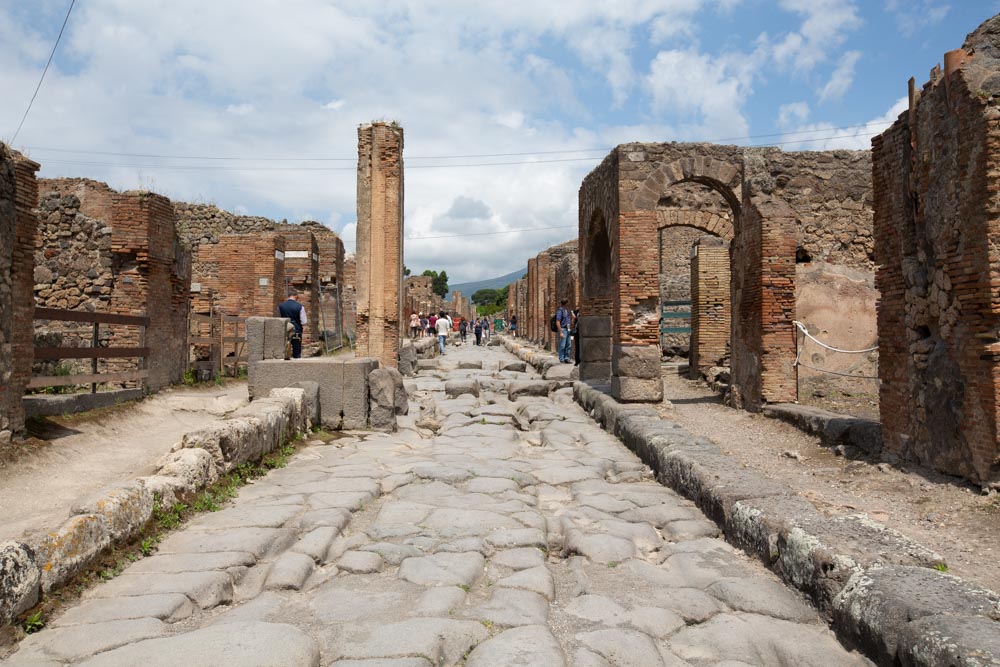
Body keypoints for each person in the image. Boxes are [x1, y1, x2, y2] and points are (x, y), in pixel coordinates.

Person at [278, 288, 307, 359]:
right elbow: (304, 322)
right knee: (296, 352)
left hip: (284, 330)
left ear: (288, 296)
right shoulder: (300, 307)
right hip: (296, 331)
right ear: (296, 296)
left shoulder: (280, 306)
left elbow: (279, 319)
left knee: (283, 350)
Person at [556, 299, 572, 363]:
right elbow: (558, 322)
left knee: (568, 344)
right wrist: (560, 332)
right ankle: (562, 359)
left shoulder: (566, 311)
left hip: (568, 329)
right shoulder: (560, 311)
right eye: (568, 303)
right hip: (563, 329)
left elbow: (568, 321)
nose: (569, 304)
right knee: (562, 345)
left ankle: (567, 358)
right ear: (565, 303)